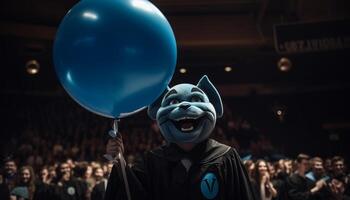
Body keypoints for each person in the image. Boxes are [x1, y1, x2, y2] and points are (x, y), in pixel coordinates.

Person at [105, 76, 255, 199]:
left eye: (195, 100)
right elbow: (133, 193)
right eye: (174, 102)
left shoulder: (227, 158)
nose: (184, 106)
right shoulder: (152, 161)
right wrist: (119, 161)